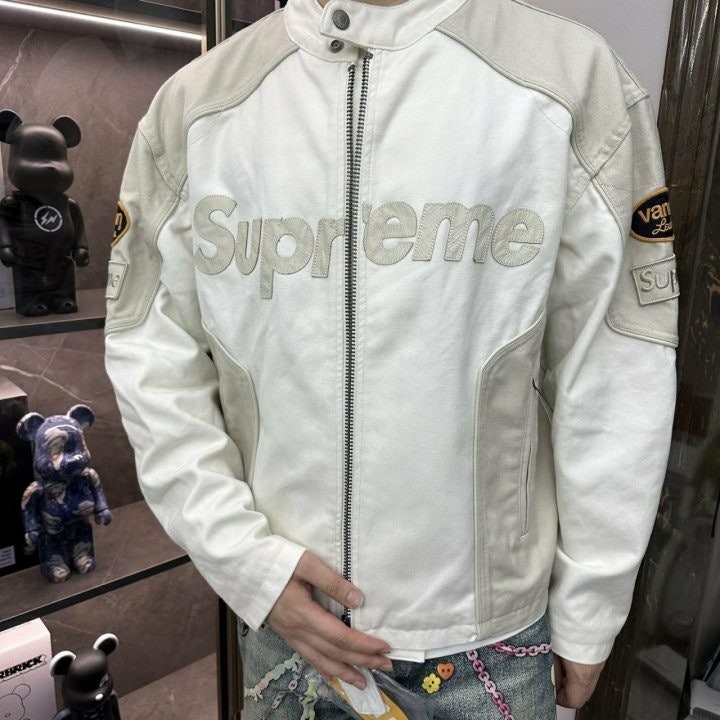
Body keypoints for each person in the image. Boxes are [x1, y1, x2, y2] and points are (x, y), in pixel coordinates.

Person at [104, 0, 679, 716]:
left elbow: (616, 363)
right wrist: (247, 564)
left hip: (489, 645)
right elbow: (154, 357)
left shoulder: (567, 78)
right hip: (288, 630)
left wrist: (591, 605)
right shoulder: (196, 105)